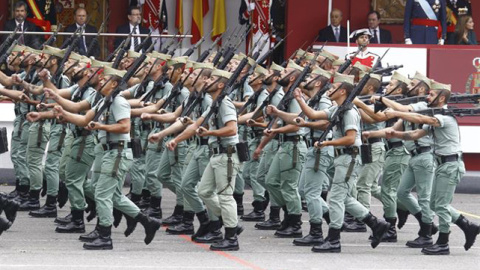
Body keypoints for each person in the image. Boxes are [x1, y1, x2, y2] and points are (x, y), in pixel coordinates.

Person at [384, 81, 480, 255]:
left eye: (431, 94)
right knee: (435, 204)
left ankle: (443, 242)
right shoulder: (435, 118)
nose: (427, 97)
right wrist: (395, 134)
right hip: (442, 164)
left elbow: (420, 119)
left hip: (451, 165)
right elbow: (414, 134)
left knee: (441, 205)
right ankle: (468, 226)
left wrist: (396, 112)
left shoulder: (444, 117)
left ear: (441, 97)